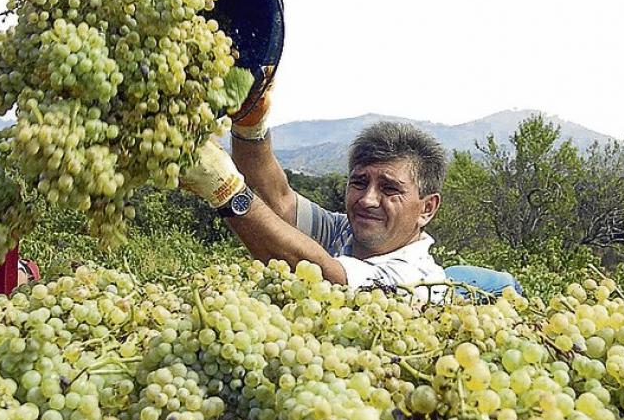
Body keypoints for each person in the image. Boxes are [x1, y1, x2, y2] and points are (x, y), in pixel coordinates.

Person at [182, 75, 447, 293]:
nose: (367, 199)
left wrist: (225, 190)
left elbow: (322, 276)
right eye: (359, 182)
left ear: (427, 208)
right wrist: (251, 123)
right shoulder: (344, 232)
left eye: (390, 189)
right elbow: (278, 201)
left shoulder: (419, 281)